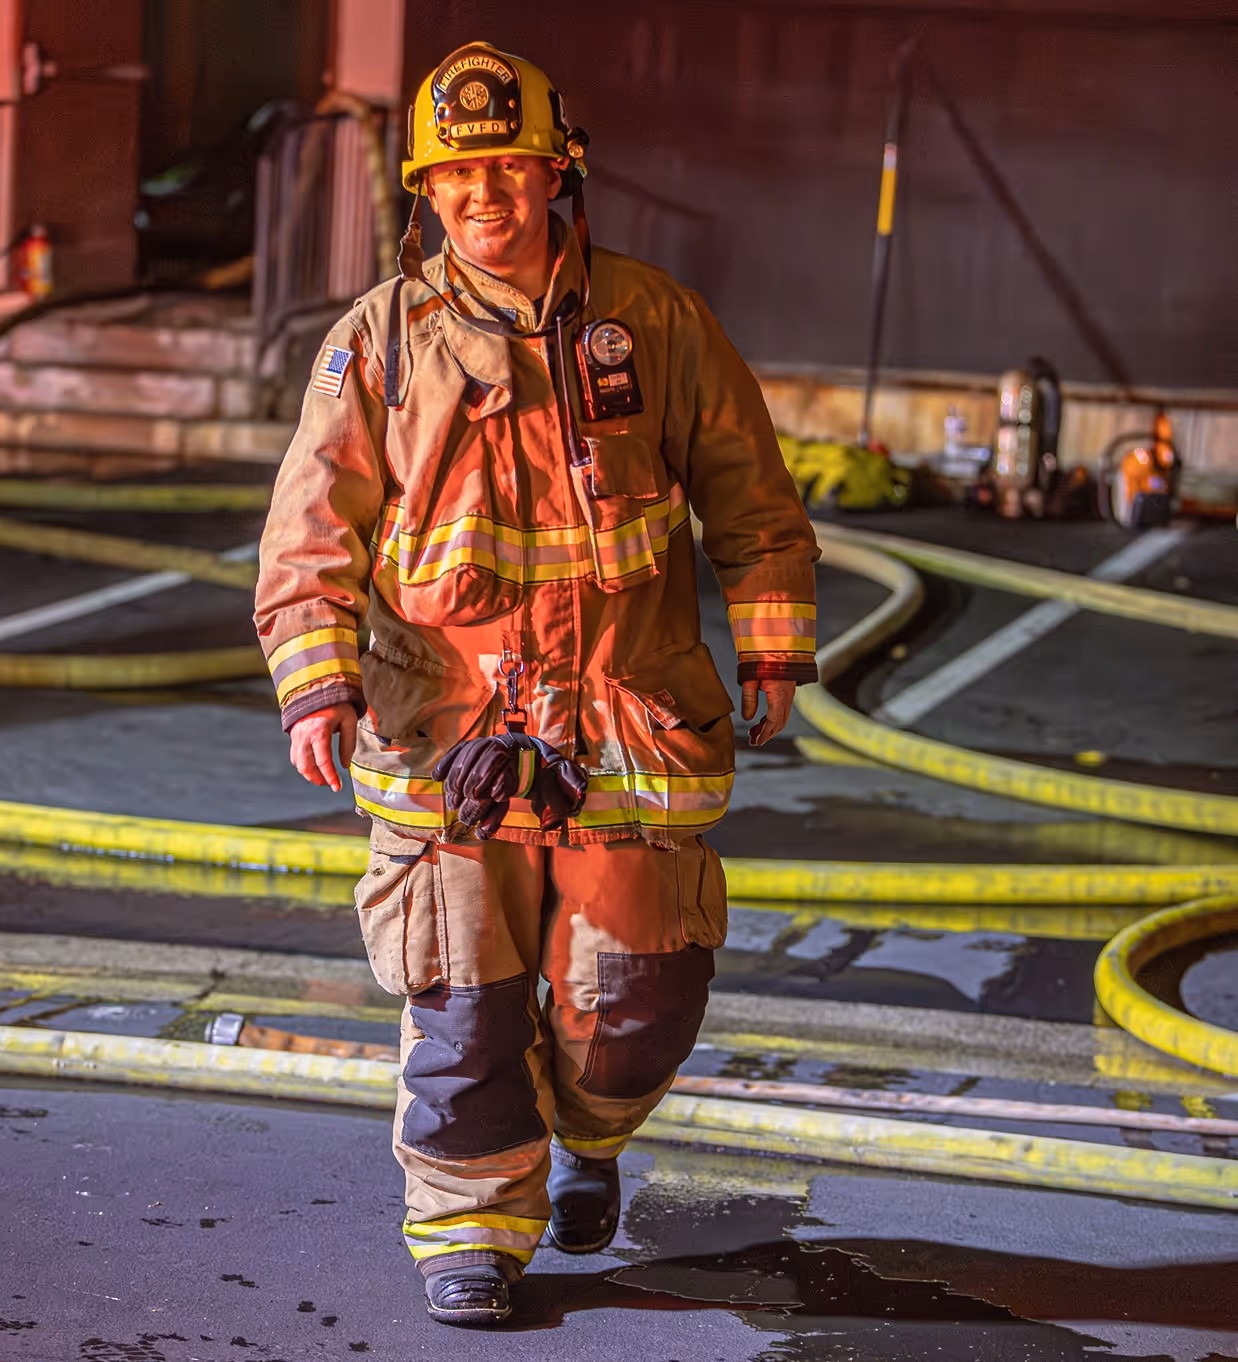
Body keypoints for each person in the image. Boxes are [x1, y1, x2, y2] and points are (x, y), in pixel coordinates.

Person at [254, 40, 820, 1327]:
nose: (481, 197)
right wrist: (316, 683)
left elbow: (752, 499)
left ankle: (590, 1137)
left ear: (556, 175)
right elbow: (308, 533)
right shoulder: (378, 344)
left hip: (629, 721)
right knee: (462, 998)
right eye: (455, 177)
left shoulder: (656, 324)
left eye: (505, 169)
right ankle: (468, 1231)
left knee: (633, 1008)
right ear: (425, 193)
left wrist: (772, 642)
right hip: (445, 734)